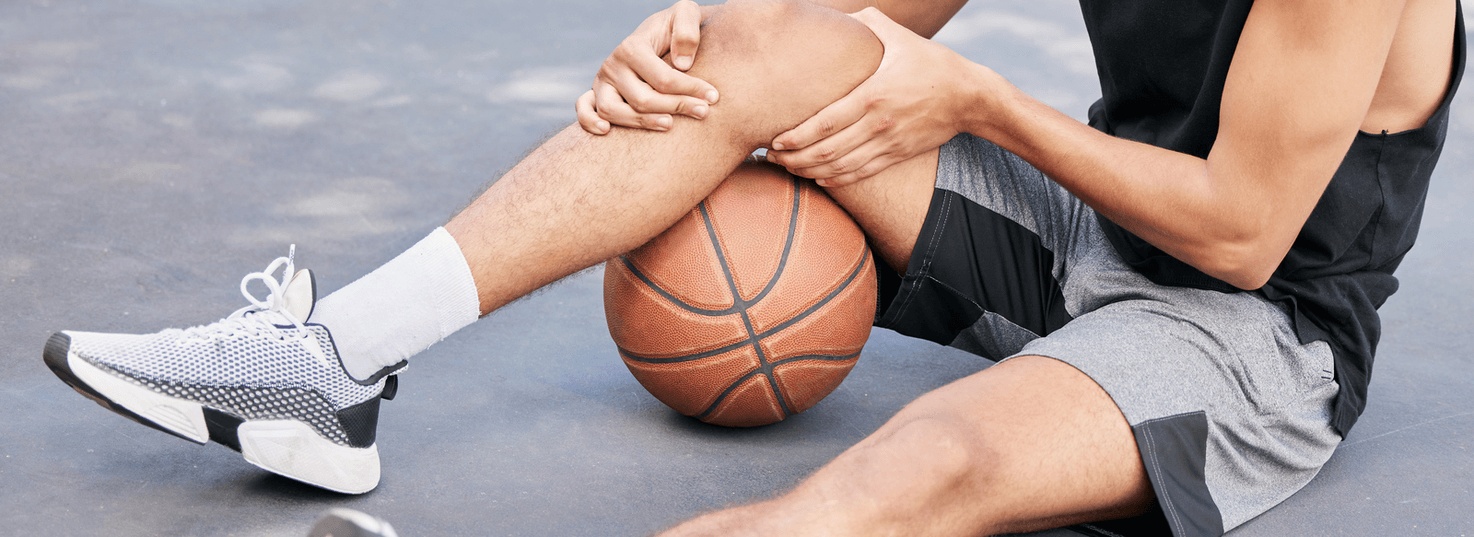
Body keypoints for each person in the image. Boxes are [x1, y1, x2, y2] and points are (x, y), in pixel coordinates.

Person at [42, 0, 1463, 534]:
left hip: (1252, 332)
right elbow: (841, 25)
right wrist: (697, 48)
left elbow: (1238, 232)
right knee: (753, 52)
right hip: (1092, 238)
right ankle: (328, 365)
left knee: (922, 468)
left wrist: (982, 104)